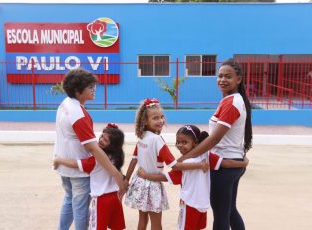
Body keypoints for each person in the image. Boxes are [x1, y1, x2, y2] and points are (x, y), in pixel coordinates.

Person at [178, 58, 253, 230]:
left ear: (238, 79)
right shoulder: (232, 100)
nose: (222, 80)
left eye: (228, 76)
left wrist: (186, 157)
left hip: (224, 168)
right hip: (231, 164)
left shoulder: (232, 103)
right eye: (220, 76)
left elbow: (214, 139)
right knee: (229, 211)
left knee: (220, 216)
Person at [54, 68, 127, 230]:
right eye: (89, 87)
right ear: (77, 91)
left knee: (69, 200)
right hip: (78, 170)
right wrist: (116, 175)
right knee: (80, 209)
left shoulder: (65, 104)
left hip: (65, 165)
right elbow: (93, 148)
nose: (94, 89)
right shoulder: (79, 114)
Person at [137, 125, 249, 230]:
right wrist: (243, 163)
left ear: (195, 143)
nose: (180, 145)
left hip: (189, 204)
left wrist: (145, 175)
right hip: (201, 203)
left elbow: (165, 177)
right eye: (178, 142)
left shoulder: (186, 163)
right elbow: (225, 163)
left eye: (184, 142)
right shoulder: (206, 155)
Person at [124, 98, 208, 230]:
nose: (160, 121)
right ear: (145, 121)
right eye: (155, 118)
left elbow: (134, 160)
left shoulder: (142, 137)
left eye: (162, 117)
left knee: (142, 219)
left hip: (139, 182)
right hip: (152, 186)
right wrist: (199, 165)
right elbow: (174, 165)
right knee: (156, 222)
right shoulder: (157, 140)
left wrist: (126, 180)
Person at [54, 123, 126, 230]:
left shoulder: (96, 160)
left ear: (112, 145)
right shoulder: (116, 158)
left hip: (101, 200)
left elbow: (76, 164)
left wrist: (59, 160)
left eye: (105, 140)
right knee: (117, 227)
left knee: (97, 227)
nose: (101, 139)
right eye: (102, 136)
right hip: (115, 197)